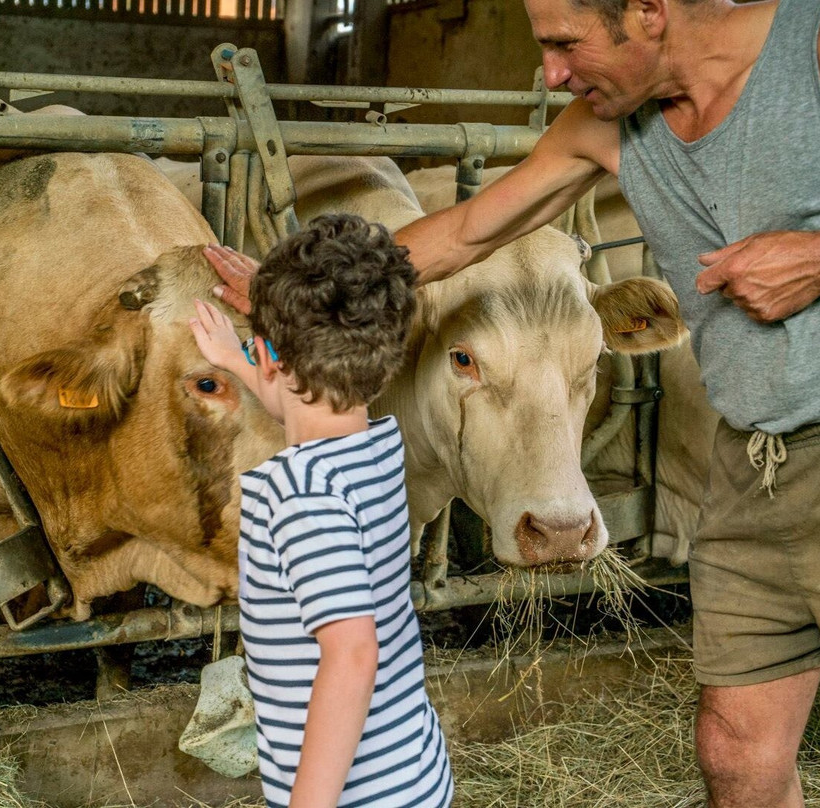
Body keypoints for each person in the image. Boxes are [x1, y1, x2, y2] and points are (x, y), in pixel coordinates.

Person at [206, 1, 820, 806]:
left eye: (567, 44)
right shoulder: (605, 124)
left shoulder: (806, 47)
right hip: (754, 461)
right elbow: (463, 234)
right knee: (735, 750)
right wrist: (301, 293)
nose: (555, 73)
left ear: (648, 10)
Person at [190, 214, 454, 808]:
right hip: (413, 768)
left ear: (271, 355)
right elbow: (303, 404)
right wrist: (240, 361)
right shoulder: (376, 445)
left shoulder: (301, 495)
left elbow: (353, 654)